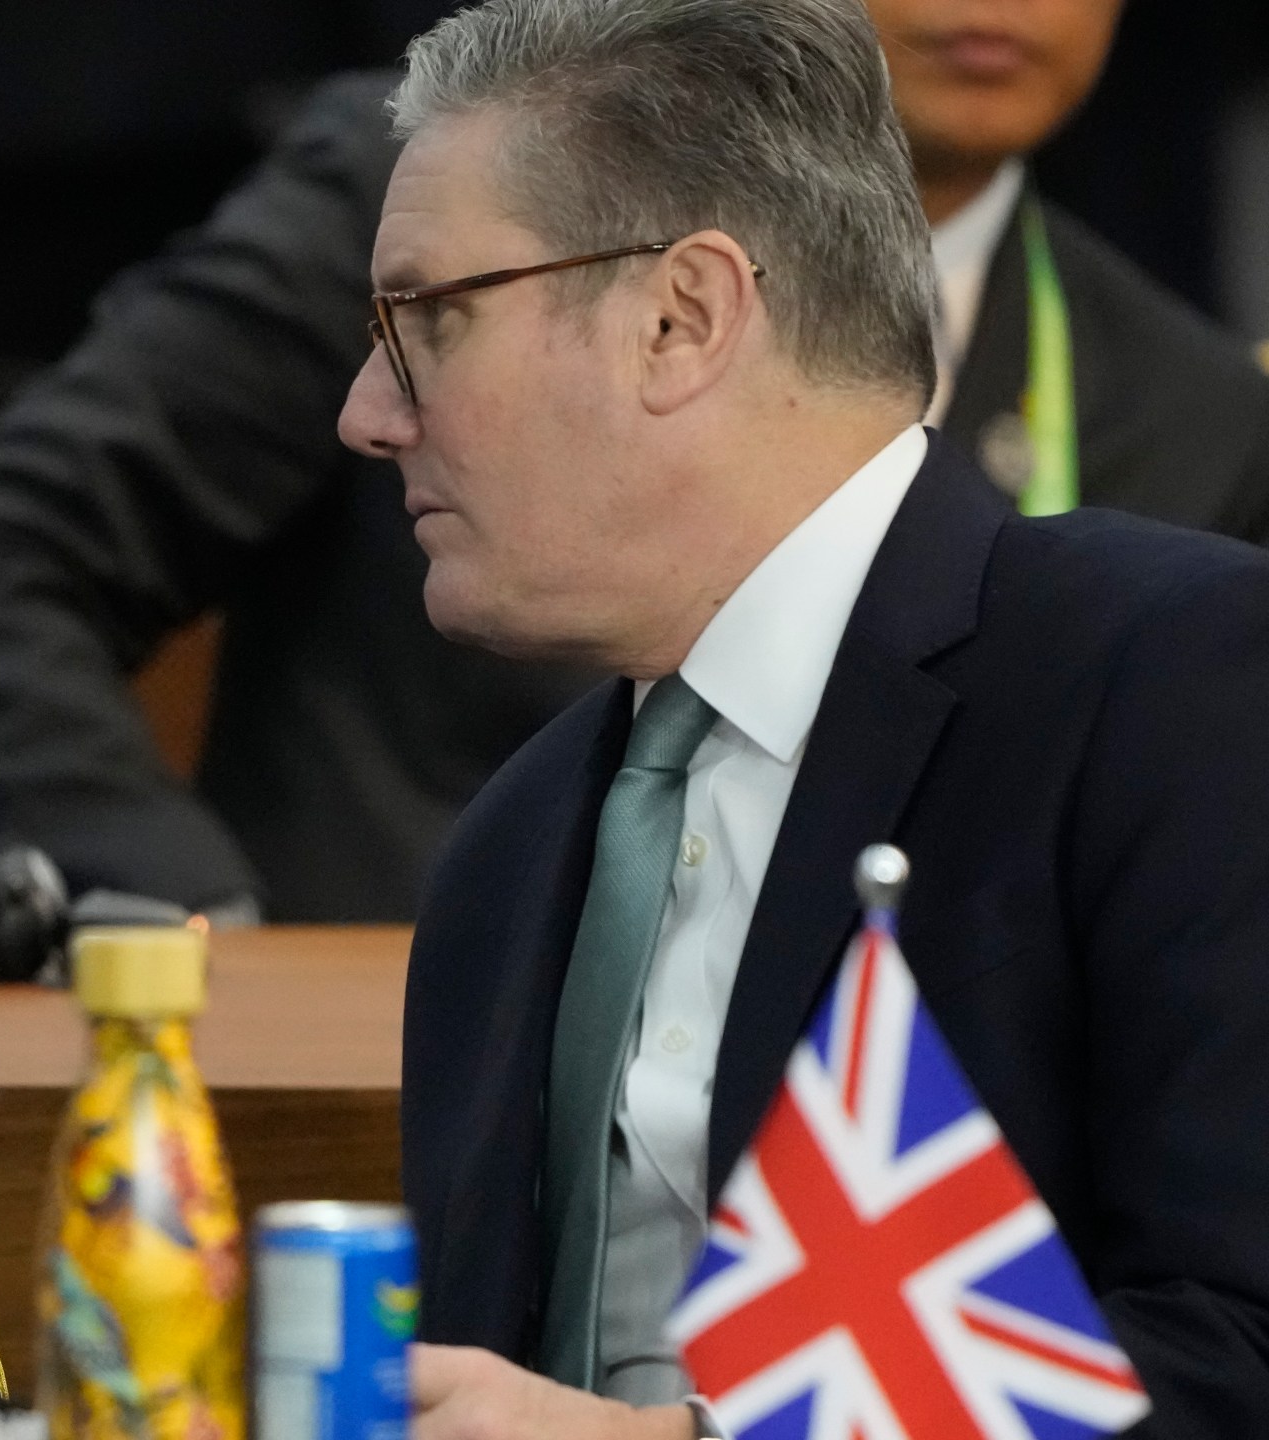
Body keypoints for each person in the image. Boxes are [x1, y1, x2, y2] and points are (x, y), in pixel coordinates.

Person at [337, 1, 1269, 1435]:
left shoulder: (1181, 681)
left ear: (680, 319)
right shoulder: (505, 856)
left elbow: (1240, 1349)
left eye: (427, 320)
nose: (367, 412)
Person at [0, 0, 1269, 926]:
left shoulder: (1190, 403)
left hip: (875, 1209)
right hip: (381, 1089)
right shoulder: (436, 194)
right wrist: (197, 936)